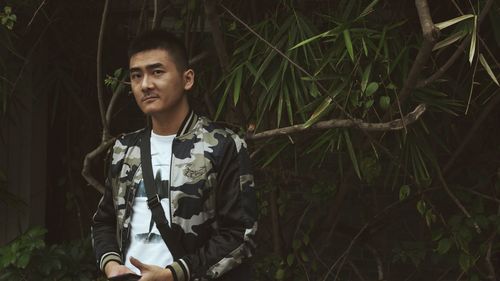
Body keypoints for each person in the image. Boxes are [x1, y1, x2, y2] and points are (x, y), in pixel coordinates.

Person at [91, 29, 258, 281]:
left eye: (157, 72)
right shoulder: (124, 149)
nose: (145, 84)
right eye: (137, 75)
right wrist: (113, 265)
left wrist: (174, 274)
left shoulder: (222, 145)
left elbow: (240, 234)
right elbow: (104, 221)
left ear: (187, 79)